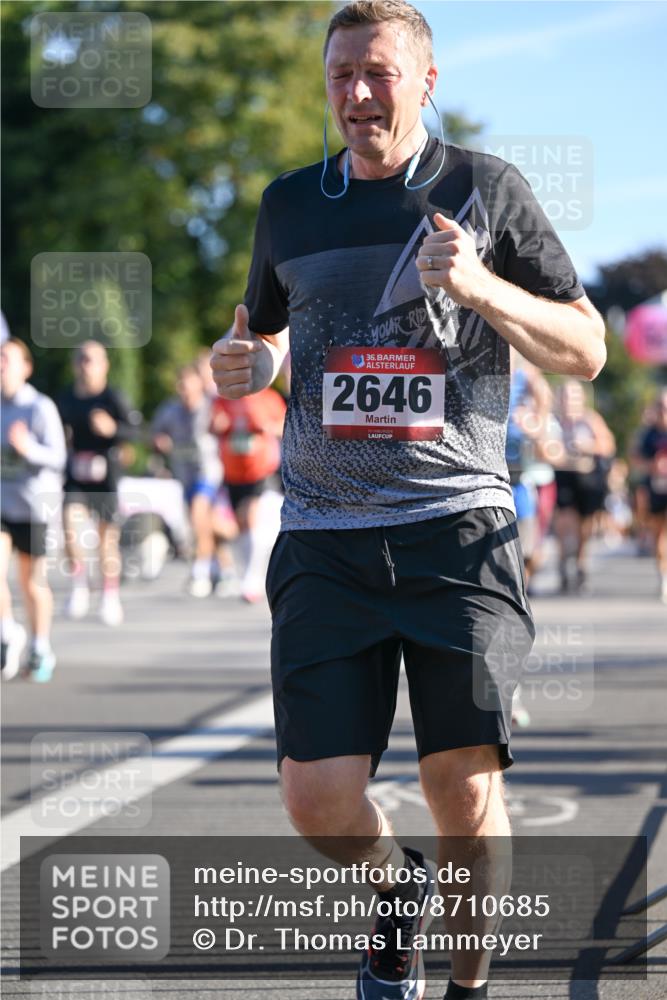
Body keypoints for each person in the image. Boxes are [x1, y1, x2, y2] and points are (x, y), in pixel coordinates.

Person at [210, 3, 606, 998]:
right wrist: (247, 363)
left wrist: (479, 287)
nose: (356, 94)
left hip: (455, 532)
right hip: (325, 539)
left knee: (464, 797)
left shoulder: (487, 189)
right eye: (341, 74)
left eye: (378, 73)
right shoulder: (289, 203)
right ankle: (397, 895)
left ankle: (466, 987)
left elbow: (588, 349)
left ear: (424, 81)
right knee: (315, 798)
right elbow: (266, 340)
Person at [57, 341, 139, 626]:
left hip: (106, 476)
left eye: (91, 359)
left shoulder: (113, 397)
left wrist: (113, 428)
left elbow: (137, 431)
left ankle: (109, 595)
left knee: (107, 541)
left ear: (105, 365)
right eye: (80, 358)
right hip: (76, 476)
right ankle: (79, 586)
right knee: (70, 528)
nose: (85, 364)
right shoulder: (66, 399)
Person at [1, 339, 66, 681]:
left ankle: (40, 646)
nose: (0, 365)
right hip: (2, 505)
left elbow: (58, 458)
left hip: (36, 507)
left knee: (32, 583)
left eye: (6, 359)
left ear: (25, 368)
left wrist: (28, 449)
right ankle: (7, 631)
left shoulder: (39, 407)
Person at [151, 364, 222, 597]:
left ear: (199, 384)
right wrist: (159, 441)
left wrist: (222, 427)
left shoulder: (210, 407)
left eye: (188, 383)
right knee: (205, 523)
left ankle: (199, 572)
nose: (184, 389)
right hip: (184, 473)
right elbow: (152, 434)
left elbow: (228, 425)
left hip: (208, 471)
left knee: (198, 512)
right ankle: (220, 566)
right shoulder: (170, 410)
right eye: (180, 384)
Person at [211, 386, 286, 602]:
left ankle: (252, 578)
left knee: (253, 517)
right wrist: (218, 425)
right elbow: (213, 424)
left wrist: (267, 427)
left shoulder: (269, 398)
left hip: (261, 468)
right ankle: (248, 574)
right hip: (233, 471)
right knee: (240, 523)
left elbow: (284, 426)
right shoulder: (224, 398)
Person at [552, 380, 615, 593]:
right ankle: (562, 562)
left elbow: (608, 445)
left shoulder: (590, 420)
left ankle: (580, 564)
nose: (569, 402)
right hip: (562, 475)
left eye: (574, 397)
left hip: (586, 478)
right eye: (566, 397)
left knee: (583, 526)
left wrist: (588, 446)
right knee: (564, 520)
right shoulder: (553, 421)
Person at [633, 387, 667, 602]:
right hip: (654, 489)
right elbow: (636, 460)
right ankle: (663, 575)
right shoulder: (648, 434)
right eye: (662, 407)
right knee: (659, 534)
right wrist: (652, 466)